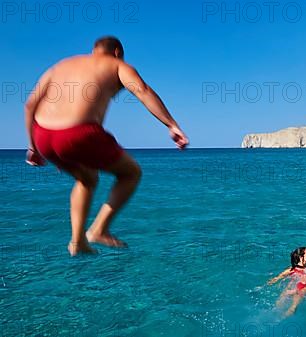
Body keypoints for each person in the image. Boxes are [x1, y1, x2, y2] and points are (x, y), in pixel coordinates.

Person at [24, 36, 189, 256]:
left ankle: (77, 242)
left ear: (94, 51)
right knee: (131, 173)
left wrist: (33, 147)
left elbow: (29, 105)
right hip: (79, 133)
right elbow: (142, 90)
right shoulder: (117, 64)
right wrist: (172, 125)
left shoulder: (61, 65)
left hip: (43, 134)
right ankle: (98, 230)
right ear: (117, 52)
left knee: (87, 178)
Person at [267, 247, 306, 316]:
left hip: (305, 287)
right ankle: (274, 313)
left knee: (295, 301)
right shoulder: (292, 269)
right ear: (301, 257)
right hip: (294, 286)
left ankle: (287, 313)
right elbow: (279, 277)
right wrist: (270, 282)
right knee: (279, 302)